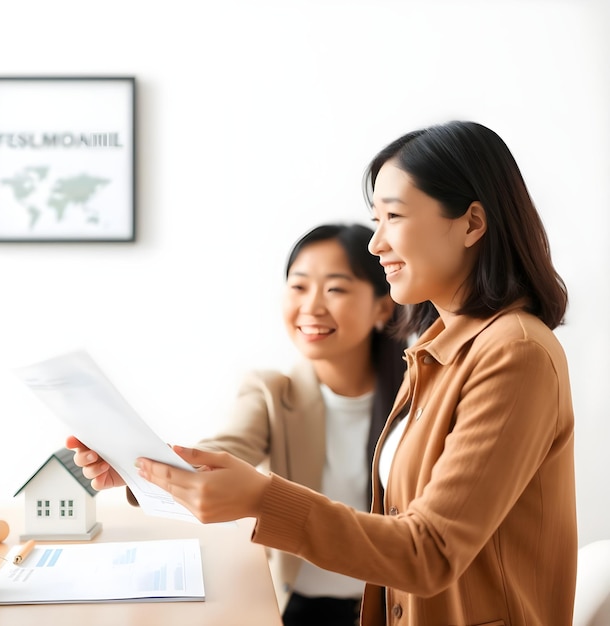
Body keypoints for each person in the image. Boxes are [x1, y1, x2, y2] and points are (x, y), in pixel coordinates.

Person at [127, 121, 578, 625]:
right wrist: (133, 464)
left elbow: (428, 552)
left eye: (394, 216)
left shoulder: (514, 353)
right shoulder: (437, 352)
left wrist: (260, 496)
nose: (376, 242)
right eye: (375, 218)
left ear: (473, 224)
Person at [67, 222, 408, 626]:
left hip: (399, 606)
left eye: (335, 288)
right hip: (300, 609)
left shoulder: (420, 395)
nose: (312, 306)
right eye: (298, 287)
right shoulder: (270, 392)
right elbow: (220, 454)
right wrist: (134, 466)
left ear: (383, 305)